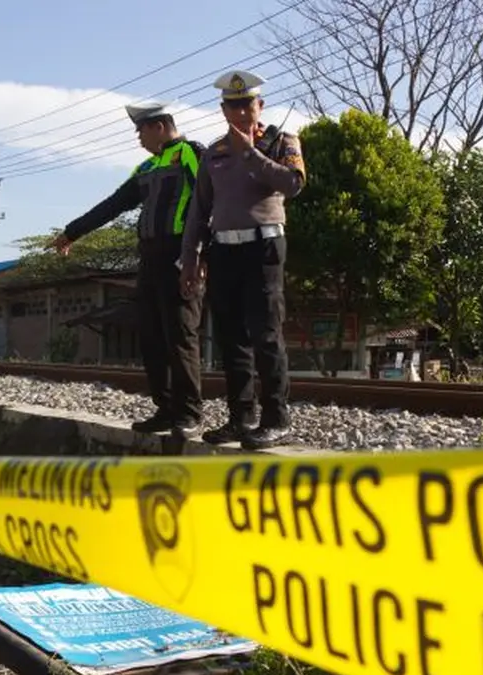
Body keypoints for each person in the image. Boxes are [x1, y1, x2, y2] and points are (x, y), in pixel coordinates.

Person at [53, 101, 206, 437]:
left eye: (141, 130)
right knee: (151, 336)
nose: (138, 137)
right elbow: (114, 204)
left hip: (179, 256)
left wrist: (198, 256)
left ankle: (189, 413)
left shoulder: (191, 154)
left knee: (180, 335)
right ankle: (165, 409)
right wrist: (72, 231)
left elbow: (208, 202)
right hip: (150, 260)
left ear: (160, 126)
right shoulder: (147, 168)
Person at [179, 70, 306, 450]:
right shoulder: (214, 152)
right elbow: (198, 211)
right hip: (224, 250)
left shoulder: (280, 141)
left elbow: (294, 184)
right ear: (223, 109)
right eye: (232, 106)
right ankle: (241, 417)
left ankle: (276, 418)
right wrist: (190, 258)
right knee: (231, 337)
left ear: (259, 105)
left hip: (264, 247)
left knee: (265, 333)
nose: (240, 112)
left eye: (246, 104)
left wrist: (249, 154)